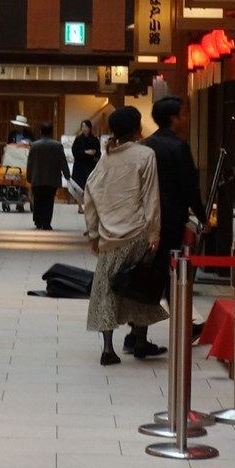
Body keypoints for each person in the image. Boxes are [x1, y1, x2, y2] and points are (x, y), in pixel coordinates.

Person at [82, 105, 163, 365]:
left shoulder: (105, 158)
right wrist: (154, 232)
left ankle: (108, 348)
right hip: (137, 232)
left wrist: (93, 233)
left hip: (109, 235)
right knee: (138, 286)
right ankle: (140, 341)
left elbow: (89, 196)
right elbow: (151, 197)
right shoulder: (145, 155)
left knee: (106, 290)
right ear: (137, 128)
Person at [142, 94, 204, 331]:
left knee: (149, 273)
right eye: (183, 114)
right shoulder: (179, 147)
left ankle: (139, 331)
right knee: (172, 273)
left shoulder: (146, 145)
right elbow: (190, 186)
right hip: (171, 218)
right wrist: (202, 216)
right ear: (173, 118)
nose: (186, 119)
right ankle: (182, 326)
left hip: (146, 217)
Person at [25, 123, 67, 230]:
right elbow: (63, 161)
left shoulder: (34, 145)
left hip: (37, 177)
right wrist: (67, 174)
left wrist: (29, 176)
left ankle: (38, 221)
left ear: (41, 132)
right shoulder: (57, 146)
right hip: (52, 178)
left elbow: (30, 162)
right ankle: (46, 222)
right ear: (51, 132)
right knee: (49, 201)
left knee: (38, 200)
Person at [69, 118, 101, 190]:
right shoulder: (78, 139)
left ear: (90, 128)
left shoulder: (95, 139)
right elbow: (74, 152)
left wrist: (94, 153)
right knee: (79, 186)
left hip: (90, 165)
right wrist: (85, 152)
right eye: (83, 127)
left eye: (86, 127)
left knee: (90, 186)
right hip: (79, 165)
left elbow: (98, 153)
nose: (84, 129)